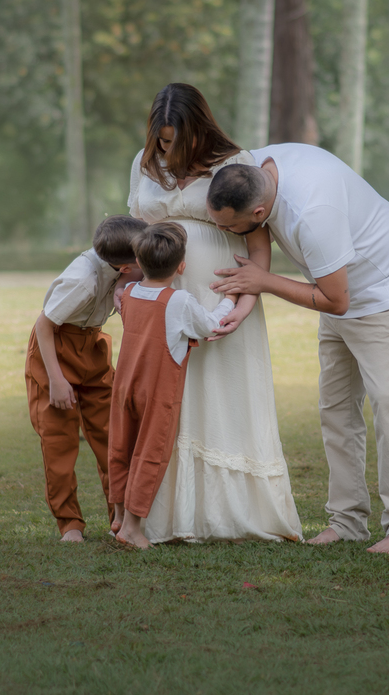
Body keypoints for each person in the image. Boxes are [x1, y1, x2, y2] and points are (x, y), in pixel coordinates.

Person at [207, 144, 389, 554]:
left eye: (227, 227)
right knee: (336, 407)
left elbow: (335, 301)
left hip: (387, 291)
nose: (223, 232)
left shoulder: (313, 214)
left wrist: (264, 282)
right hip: (339, 288)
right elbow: (329, 295)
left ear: (258, 213)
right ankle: (347, 521)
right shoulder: (252, 167)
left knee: (388, 402)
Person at [126, 83, 302, 544]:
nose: (170, 149)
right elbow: (135, 232)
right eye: (163, 140)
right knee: (168, 401)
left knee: (221, 396)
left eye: (178, 140)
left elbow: (258, 243)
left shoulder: (234, 163)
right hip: (162, 300)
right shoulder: (144, 165)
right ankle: (164, 515)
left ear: (199, 130)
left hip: (220, 301)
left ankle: (233, 514)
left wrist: (245, 304)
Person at [108, 223, 238, 549]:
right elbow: (208, 326)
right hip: (157, 391)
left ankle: (119, 516)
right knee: (150, 454)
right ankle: (133, 528)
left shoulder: (131, 292)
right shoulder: (178, 300)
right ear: (182, 267)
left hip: (124, 385)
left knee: (121, 448)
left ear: (139, 259)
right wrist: (229, 299)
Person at [24, 214, 147, 543]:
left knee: (112, 436)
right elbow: (44, 325)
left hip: (91, 345)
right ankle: (70, 524)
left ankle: (118, 518)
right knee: (58, 441)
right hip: (55, 350)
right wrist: (56, 379)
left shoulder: (117, 268)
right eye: (144, 262)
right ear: (125, 265)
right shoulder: (83, 280)